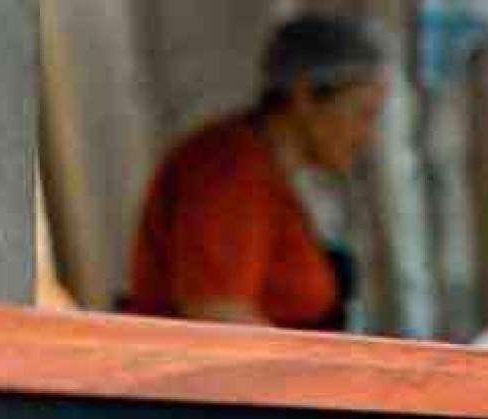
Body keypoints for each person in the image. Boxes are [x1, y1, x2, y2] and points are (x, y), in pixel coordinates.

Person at [123, 14, 389, 329]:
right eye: (363, 114)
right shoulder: (231, 170)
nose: (369, 137)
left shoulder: (263, 168)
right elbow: (218, 314)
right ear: (304, 96)